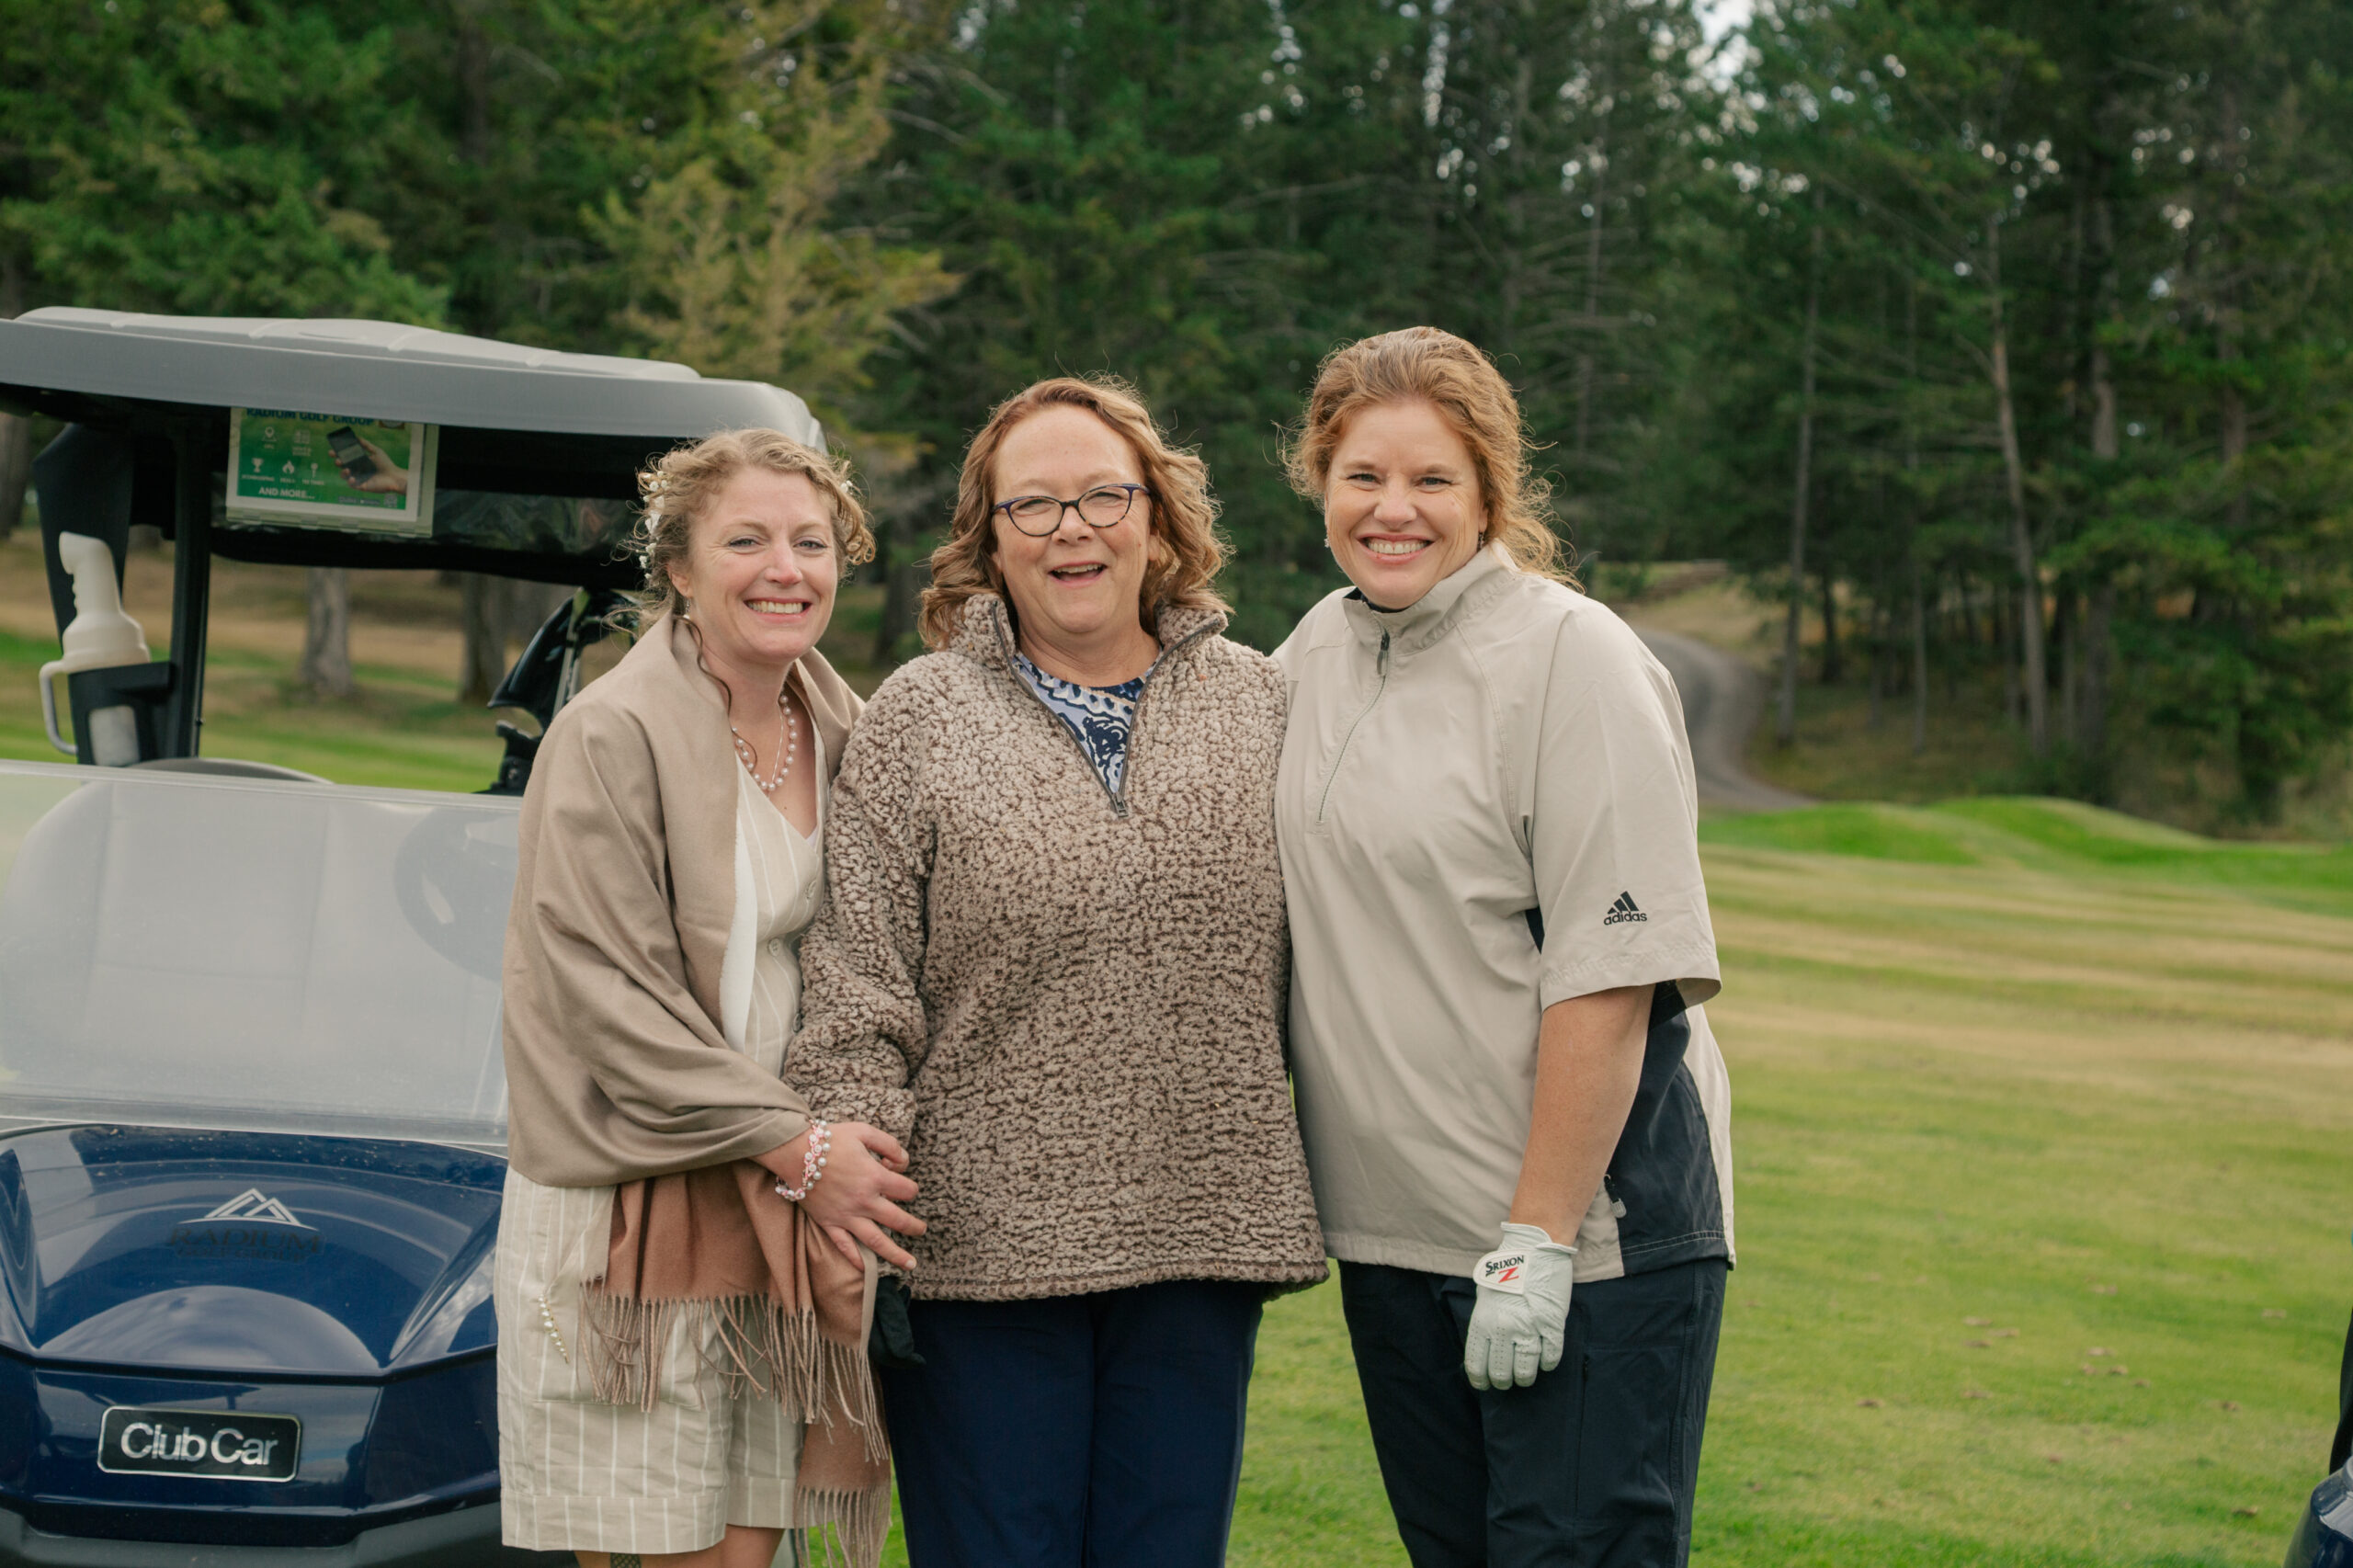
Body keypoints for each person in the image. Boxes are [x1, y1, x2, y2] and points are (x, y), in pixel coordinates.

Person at [786, 376, 1327, 1568]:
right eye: (1032, 505)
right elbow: (859, 985)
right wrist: (848, 1181)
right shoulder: (921, 715)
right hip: (976, 1251)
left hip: (1198, 1233)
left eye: (1102, 497)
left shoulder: (1264, 702)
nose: (1070, 529)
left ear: (1158, 518)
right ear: (987, 538)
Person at [1272, 327, 1735, 1568]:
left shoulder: (1573, 658)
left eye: (1432, 478)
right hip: (1392, 1242)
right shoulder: (1305, 658)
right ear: (1320, 482)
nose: (1394, 509)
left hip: (1583, 1243)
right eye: (1364, 475)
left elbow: (1611, 973)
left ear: (1489, 492)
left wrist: (1535, 1244)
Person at [494, 429, 926, 1568]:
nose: (785, 568)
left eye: (811, 542)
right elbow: (604, 991)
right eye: (746, 541)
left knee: (744, 1550)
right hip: (634, 1197)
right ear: (679, 567)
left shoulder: (845, 728)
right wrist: (798, 1145)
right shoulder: (609, 732)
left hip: (777, 1199)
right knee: (650, 1547)